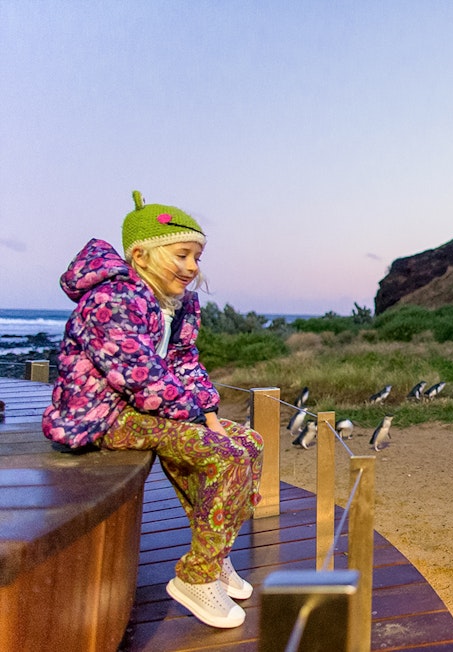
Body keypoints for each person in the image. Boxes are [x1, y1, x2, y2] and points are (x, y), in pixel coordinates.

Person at [42, 191, 263, 629]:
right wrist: (200, 423)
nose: (192, 267)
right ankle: (196, 577)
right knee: (223, 454)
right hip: (103, 415)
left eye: (197, 257)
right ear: (141, 255)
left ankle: (214, 555)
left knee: (247, 443)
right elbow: (138, 375)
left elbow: (184, 363)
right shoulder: (111, 301)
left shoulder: (175, 307)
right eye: (182, 254)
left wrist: (213, 417)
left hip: (147, 411)